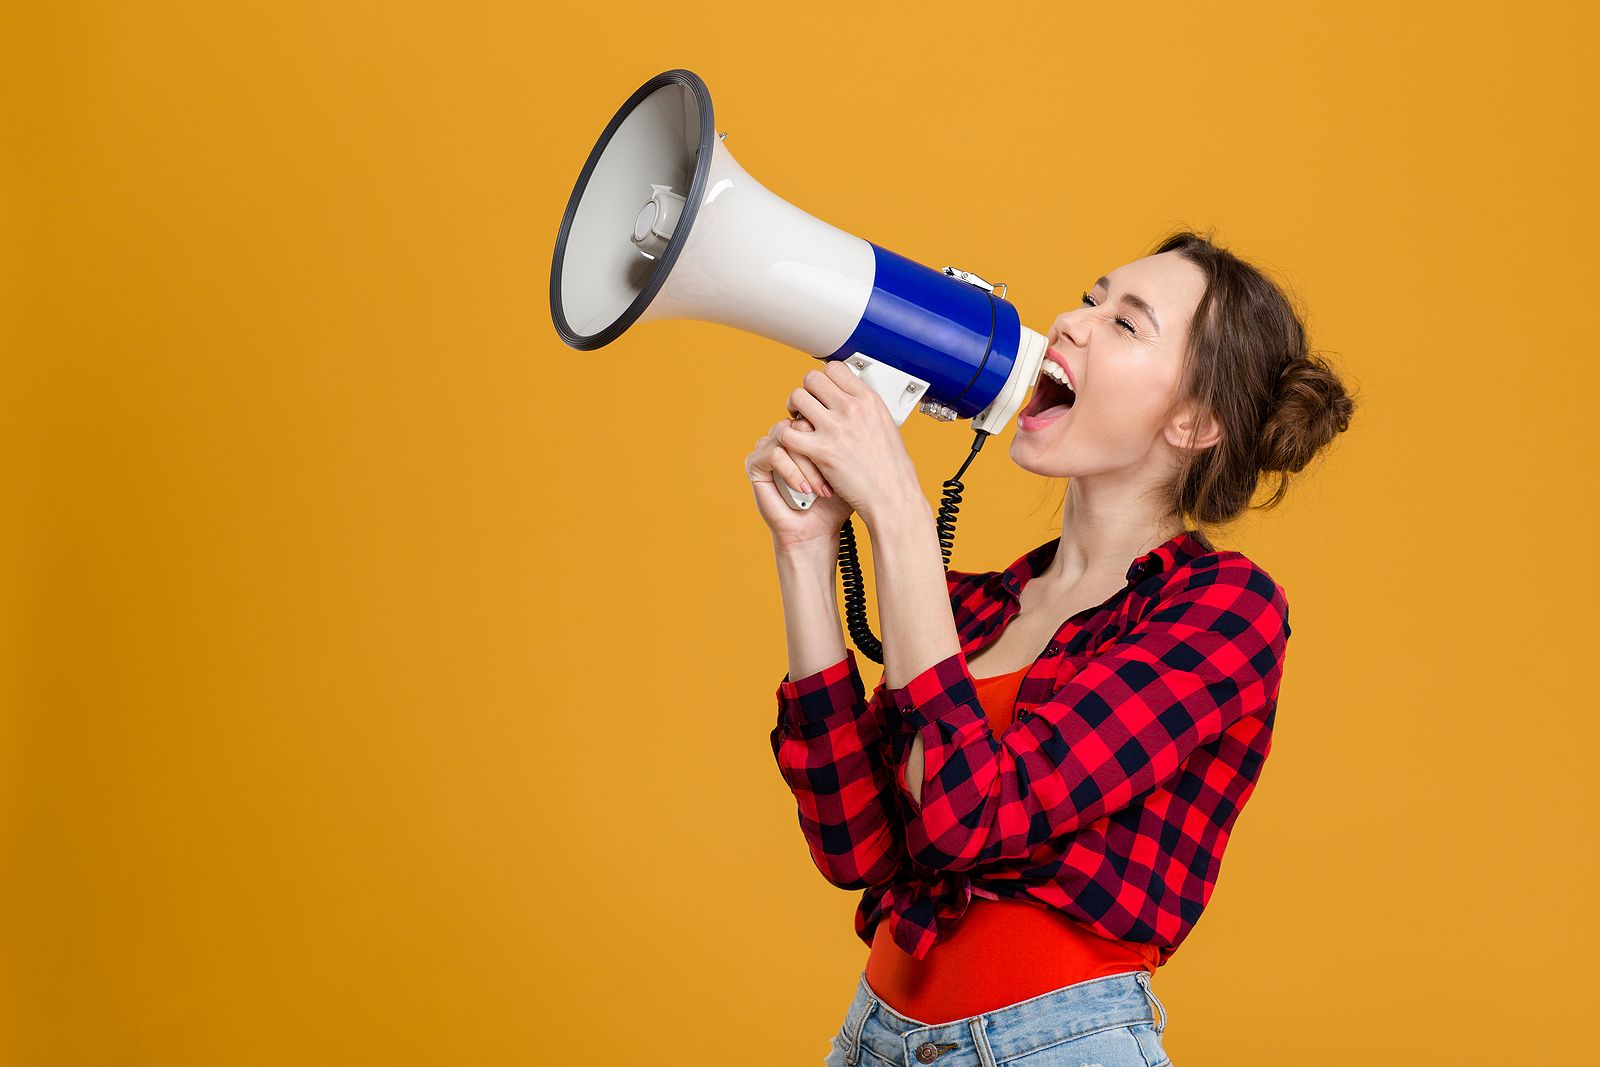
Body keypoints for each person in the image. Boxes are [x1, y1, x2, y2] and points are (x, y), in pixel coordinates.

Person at [745, 229, 1357, 1066]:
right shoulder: (971, 609)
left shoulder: (1224, 612)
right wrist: (807, 551)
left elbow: (972, 814)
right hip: (873, 1039)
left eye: (1126, 324)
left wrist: (897, 515)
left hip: (1051, 1046)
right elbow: (854, 843)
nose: (1072, 321)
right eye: (1092, 297)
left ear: (1195, 421)